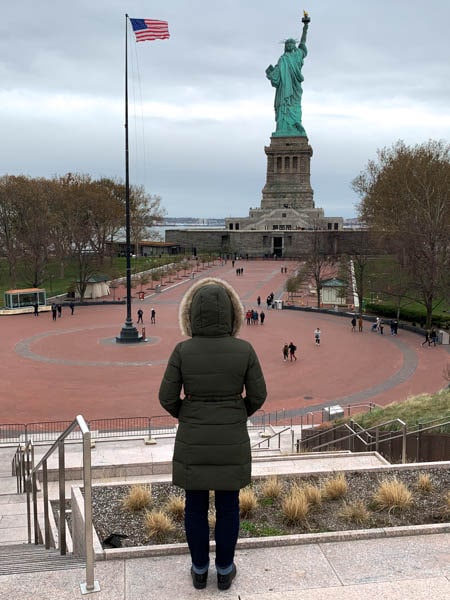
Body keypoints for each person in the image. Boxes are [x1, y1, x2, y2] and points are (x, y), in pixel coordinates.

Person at [159, 278, 267, 591]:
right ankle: (224, 569)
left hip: (193, 440)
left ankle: (199, 570)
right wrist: (236, 414)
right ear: (233, 314)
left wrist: (189, 416)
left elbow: (167, 398)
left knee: (194, 507)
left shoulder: (182, 350)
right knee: (228, 506)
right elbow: (258, 395)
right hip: (231, 440)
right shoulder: (244, 350)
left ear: (191, 315)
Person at [265, 12, 310, 137]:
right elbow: (276, 77)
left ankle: (295, 124)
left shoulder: (297, 55)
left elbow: (303, 42)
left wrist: (305, 27)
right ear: (285, 46)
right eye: (287, 44)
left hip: (294, 88)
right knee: (283, 106)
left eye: (292, 43)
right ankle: (283, 128)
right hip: (284, 89)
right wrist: (271, 74)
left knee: (295, 106)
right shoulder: (282, 59)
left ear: (294, 46)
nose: (290, 45)